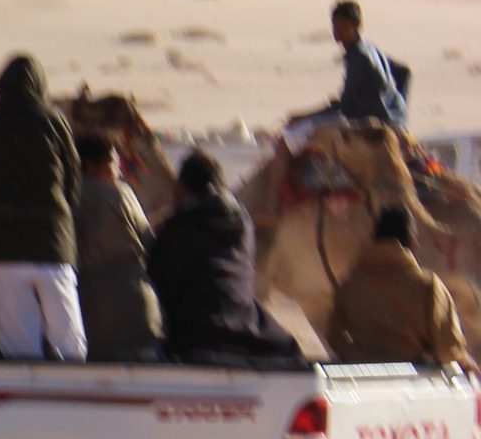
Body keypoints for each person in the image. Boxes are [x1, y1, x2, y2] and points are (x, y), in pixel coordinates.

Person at [0, 54, 87, 360]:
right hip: (53, 247)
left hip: (2, 251)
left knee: (18, 347)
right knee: (70, 345)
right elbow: (72, 188)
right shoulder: (55, 124)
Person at [147, 150, 303, 363]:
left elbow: (156, 278)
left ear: (182, 188)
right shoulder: (243, 224)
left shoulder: (178, 229)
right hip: (246, 327)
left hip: (195, 337)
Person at [330, 204, 473, 370]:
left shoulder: (351, 285)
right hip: (415, 379)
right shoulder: (428, 286)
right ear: (411, 240)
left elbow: (334, 338)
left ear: (374, 238)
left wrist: (358, 354)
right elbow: (447, 350)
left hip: (358, 377)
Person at [74, 132, 161, 360]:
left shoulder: (64, 197)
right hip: (133, 305)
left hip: (85, 310)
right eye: (113, 163)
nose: (119, 170)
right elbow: (149, 242)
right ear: (91, 165)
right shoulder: (120, 194)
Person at [287, 0, 408, 144]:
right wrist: (399, 106)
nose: (337, 30)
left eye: (343, 25)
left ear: (356, 25)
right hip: (395, 118)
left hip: (374, 121)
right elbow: (404, 72)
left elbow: (344, 105)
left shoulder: (357, 56)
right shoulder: (370, 48)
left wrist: (304, 116)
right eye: (334, 25)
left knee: (296, 131)